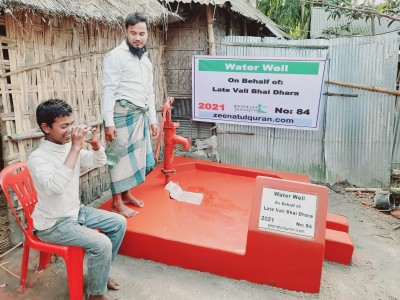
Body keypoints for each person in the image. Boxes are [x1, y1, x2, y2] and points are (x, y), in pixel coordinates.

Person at [28, 99, 127, 300]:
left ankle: (100, 274)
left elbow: (100, 162)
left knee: (119, 223)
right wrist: (74, 148)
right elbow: (55, 187)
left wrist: (95, 144)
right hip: (53, 224)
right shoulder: (39, 157)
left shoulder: (67, 147)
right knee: (102, 244)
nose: (70, 130)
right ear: (46, 127)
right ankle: (96, 295)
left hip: (75, 211)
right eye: (64, 126)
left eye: (71, 124)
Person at [102, 12, 158, 218]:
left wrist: (153, 119)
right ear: (126, 32)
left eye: (141, 33)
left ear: (147, 34)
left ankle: (126, 195)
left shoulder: (146, 61)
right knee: (118, 158)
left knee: (133, 158)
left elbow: (149, 91)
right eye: (133, 33)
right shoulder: (116, 56)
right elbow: (108, 90)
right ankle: (116, 202)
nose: (138, 37)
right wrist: (109, 122)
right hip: (121, 114)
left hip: (139, 115)